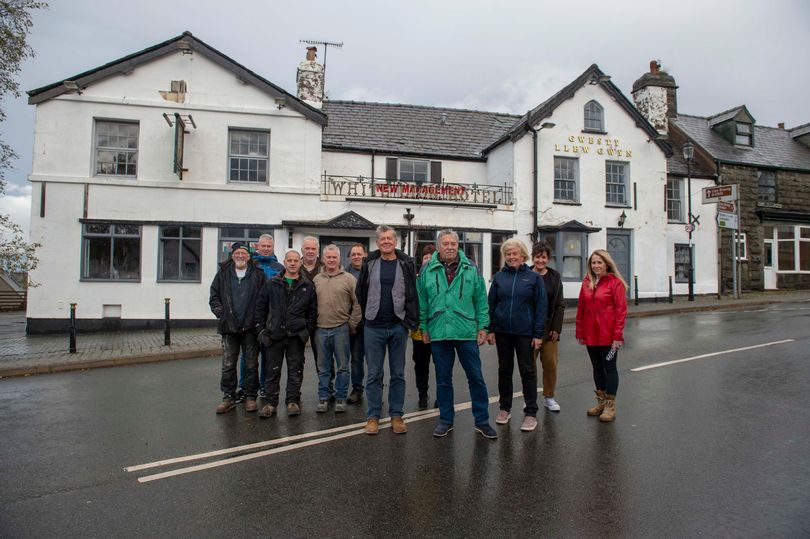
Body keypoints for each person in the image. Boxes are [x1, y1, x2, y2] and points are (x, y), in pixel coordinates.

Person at [417, 229, 497, 440]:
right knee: (443, 380)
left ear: (458, 246)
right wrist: (423, 328)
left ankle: (482, 421)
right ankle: (446, 420)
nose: (450, 247)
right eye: (446, 244)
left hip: (466, 332)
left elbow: (481, 299)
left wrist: (483, 327)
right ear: (438, 247)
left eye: (453, 243)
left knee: (476, 378)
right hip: (438, 332)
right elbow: (422, 301)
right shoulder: (427, 269)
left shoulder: (471, 268)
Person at [356, 225, 418, 435]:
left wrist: (409, 321)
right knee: (373, 373)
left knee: (398, 374)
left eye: (389, 238)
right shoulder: (369, 262)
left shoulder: (406, 262)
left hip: (398, 326)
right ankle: (372, 416)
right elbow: (360, 291)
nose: (386, 242)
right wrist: (367, 313)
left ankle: (396, 415)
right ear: (377, 242)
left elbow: (412, 292)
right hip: (373, 326)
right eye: (382, 239)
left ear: (395, 242)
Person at [487, 237, 547, 432]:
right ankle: (505, 408)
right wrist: (491, 329)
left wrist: (538, 334)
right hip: (503, 332)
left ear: (523, 255)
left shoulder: (534, 278)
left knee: (527, 372)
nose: (511, 257)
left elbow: (541, 308)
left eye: (514, 253)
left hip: (525, 333)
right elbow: (491, 304)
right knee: (504, 371)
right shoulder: (499, 277)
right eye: (508, 254)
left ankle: (530, 412)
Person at [254, 250, 317, 418]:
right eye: (289, 260)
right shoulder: (272, 283)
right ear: (284, 262)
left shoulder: (307, 285)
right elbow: (260, 308)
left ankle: (292, 401)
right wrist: (261, 331)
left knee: (296, 370)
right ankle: (270, 403)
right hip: (274, 335)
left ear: (300, 263)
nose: (293, 263)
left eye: (296, 260)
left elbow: (312, 312)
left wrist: (306, 331)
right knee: (272, 371)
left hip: (296, 336)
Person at [209, 242, 267, 414]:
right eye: (237, 253)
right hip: (229, 327)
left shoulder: (258, 274)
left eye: (244, 253)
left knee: (251, 365)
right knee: (228, 365)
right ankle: (228, 397)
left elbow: (265, 299)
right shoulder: (223, 274)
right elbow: (214, 297)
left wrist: (260, 321)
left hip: (251, 328)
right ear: (232, 255)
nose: (240, 256)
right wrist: (222, 314)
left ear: (249, 256)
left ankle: (250, 397)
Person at [575, 249, 628, 423]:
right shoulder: (586, 282)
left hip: (609, 335)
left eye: (599, 262)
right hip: (591, 334)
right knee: (597, 368)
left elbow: (621, 311)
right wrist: (580, 331)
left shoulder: (615, 283)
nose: (596, 266)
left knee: (609, 367)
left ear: (607, 264)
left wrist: (617, 336)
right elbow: (581, 309)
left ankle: (610, 406)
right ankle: (601, 402)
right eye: (593, 263)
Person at [312, 245, 362, 413]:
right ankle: (323, 397)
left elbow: (358, 303)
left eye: (334, 257)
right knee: (323, 367)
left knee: (342, 367)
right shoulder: (316, 279)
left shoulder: (349, 279)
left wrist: (352, 323)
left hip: (341, 329)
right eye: (328, 257)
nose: (331, 260)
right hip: (320, 329)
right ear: (323, 259)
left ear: (339, 259)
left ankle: (341, 397)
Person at [237, 234, 284, 401]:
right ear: (257, 247)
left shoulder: (279, 267)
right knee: (248, 357)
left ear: (272, 247)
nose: (265, 249)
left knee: (268, 357)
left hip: (270, 319)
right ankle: (245, 388)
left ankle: (265, 387)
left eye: (268, 246)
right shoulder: (250, 265)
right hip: (250, 319)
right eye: (262, 246)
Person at [531, 240, 565, 412]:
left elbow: (560, 304)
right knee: (529, 365)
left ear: (548, 259)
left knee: (550, 364)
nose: (540, 261)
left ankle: (549, 397)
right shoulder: (526, 274)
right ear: (533, 257)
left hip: (548, 329)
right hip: (529, 330)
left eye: (543, 257)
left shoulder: (555, 277)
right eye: (537, 257)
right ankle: (530, 398)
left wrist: (556, 328)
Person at [409, 244, 436, 409]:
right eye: (425, 258)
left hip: (438, 330)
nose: (428, 261)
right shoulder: (416, 279)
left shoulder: (442, 278)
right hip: (419, 331)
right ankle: (422, 394)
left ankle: (442, 396)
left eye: (431, 257)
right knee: (421, 364)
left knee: (441, 365)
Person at [346, 243, 367, 404]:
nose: (356, 257)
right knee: (356, 358)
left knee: (375, 361)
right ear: (349, 257)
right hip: (354, 324)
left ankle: (376, 390)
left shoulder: (371, 271)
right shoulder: (345, 274)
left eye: (359, 254)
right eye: (353, 254)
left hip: (372, 322)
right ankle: (357, 389)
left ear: (364, 255)